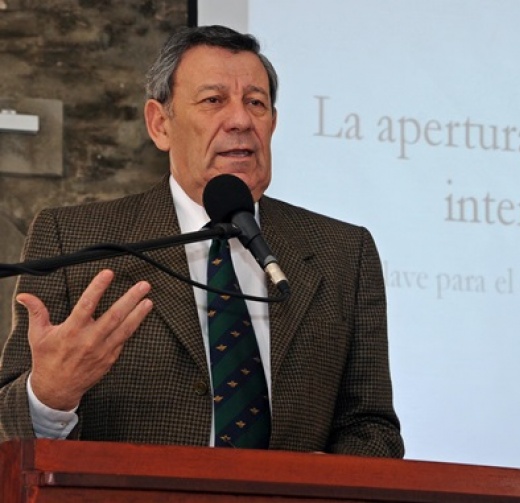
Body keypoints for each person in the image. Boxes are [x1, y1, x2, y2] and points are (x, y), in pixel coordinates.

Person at [0, 25, 404, 457]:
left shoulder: (342, 252)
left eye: (256, 103)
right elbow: (7, 428)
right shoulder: (75, 239)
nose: (241, 120)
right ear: (160, 124)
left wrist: (322, 480)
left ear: (273, 122)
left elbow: (371, 429)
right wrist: (50, 397)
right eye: (213, 100)